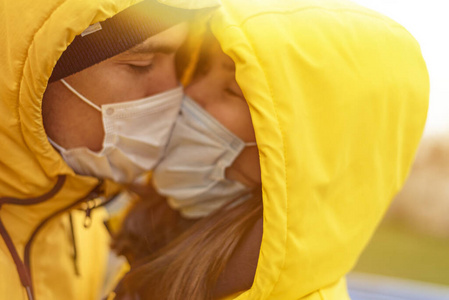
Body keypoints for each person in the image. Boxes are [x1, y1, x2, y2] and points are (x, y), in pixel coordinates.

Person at [111, 0, 430, 299]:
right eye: (201, 68)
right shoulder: (149, 233)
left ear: (306, 149)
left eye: (232, 90)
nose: (188, 90)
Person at [0, 1, 218, 300]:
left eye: (180, 61)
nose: (171, 91)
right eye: (140, 65)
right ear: (37, 72)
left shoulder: (76, 210)